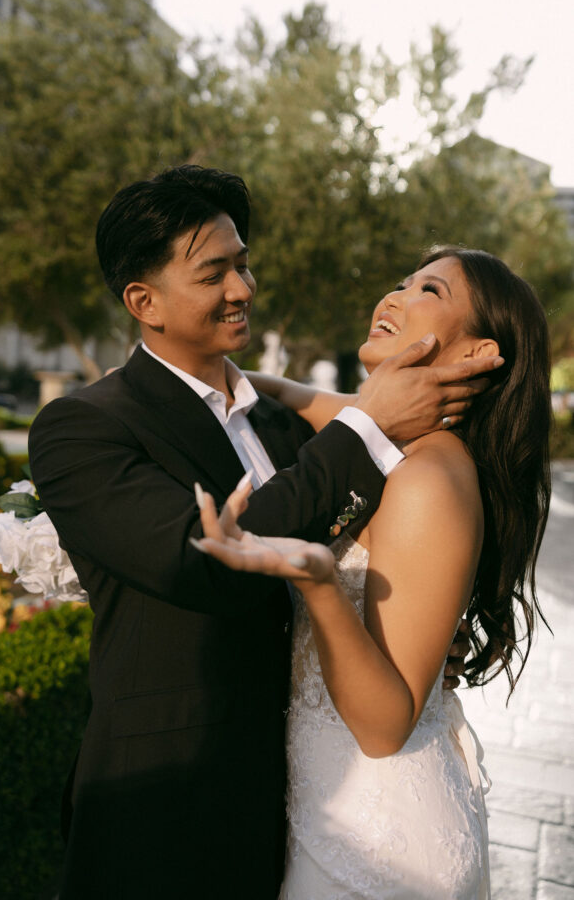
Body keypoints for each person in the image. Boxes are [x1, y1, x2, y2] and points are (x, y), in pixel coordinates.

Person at [28, 167, 502, 900]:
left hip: (305, 801)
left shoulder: (284, 426)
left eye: (243, 264)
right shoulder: (85, 426)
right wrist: (366, 423)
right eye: (214, 272)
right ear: (142, 301)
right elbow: (203, 560)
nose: (243, 289)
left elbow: (372, 538)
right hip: (166, 808)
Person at [195, 246, 551, 899]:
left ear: (476, 354)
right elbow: (296, 396)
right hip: (324, 807)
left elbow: (385, 726)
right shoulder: (391, 442)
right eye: (399, 281)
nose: (392, 298)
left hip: (376, 847)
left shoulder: (427, 479)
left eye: (429, 292)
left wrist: (317, 583)